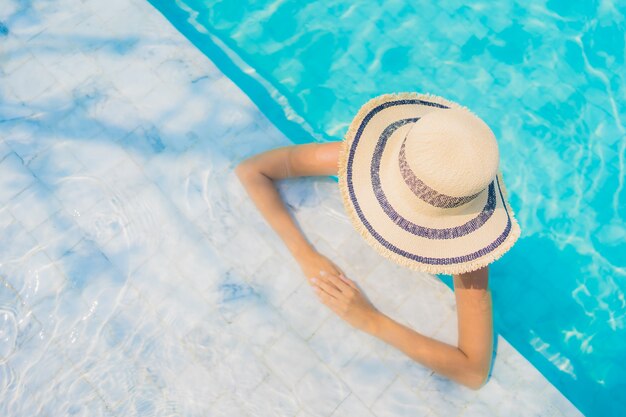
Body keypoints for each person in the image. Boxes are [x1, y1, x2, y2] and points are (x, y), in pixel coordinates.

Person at [234, 92, 521, 391]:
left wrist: (371, 320)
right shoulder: (362, 163)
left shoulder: (469, 262)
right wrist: (306, 255)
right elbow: (252, 170)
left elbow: (473, 372)